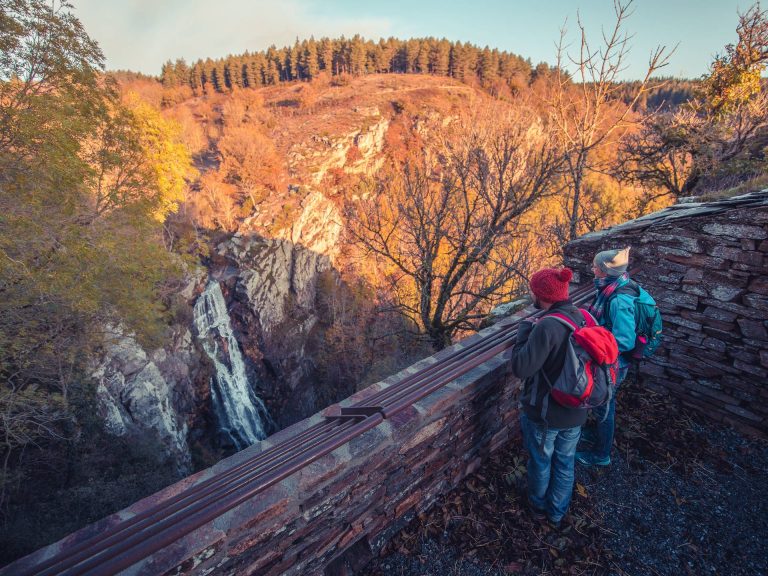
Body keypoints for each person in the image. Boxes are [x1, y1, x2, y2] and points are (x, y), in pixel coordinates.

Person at [509, 266, 585, 528]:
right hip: (577, 409)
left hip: (546, 413)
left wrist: (523, 335)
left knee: (541, 462)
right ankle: (557, 512)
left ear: (541, 296)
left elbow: (521, 367)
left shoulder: (547, 326)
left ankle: (538, 507)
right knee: (565, 462)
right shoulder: (581, 317)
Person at [576, 247, 635, 467]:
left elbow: (625, 340)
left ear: (602, 270)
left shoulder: (619, 299)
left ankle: (602, 454)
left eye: (594, 266)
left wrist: (598, 346)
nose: (591, 268)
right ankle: (597, 436)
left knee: (604, 406)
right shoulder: (616, 285)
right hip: (610, 360)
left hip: (613, 363)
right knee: (603, 404)